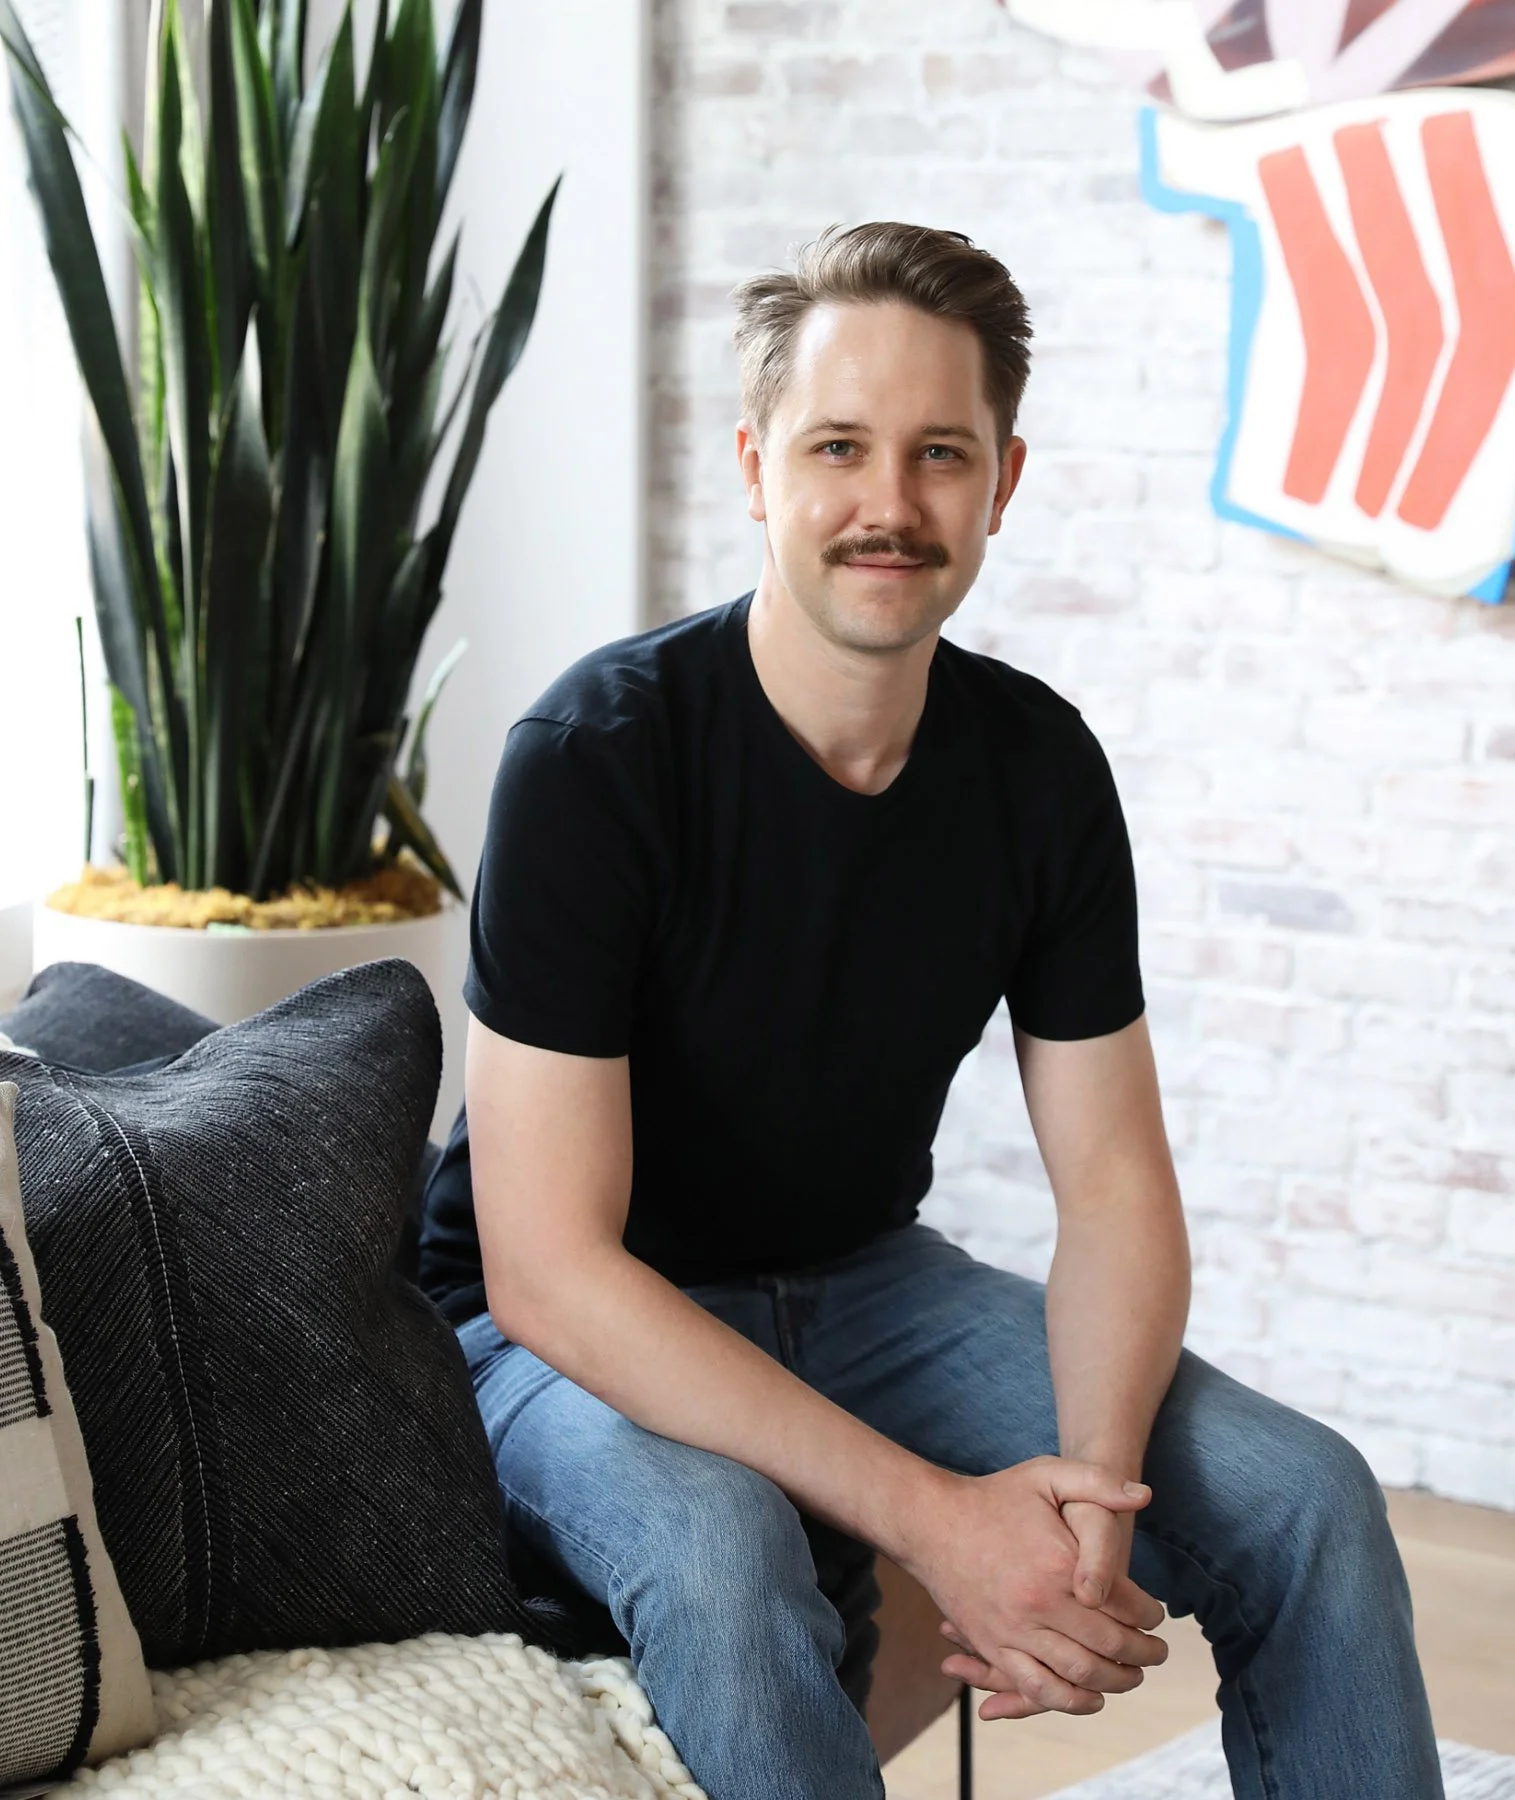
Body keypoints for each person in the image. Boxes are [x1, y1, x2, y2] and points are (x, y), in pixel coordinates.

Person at [419, 222, 1442, 1800]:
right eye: (839, 447)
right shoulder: (594, 756)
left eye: (938, 455)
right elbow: (549, 1266)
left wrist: (1093, 1503)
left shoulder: (1036, 767)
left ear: (1001, 484)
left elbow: (1110, 1187)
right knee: (717, 1546)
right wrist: (943, 1521)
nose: (888, 506)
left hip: (858, 1279)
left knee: (1302, 1495)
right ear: (758, 467)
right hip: (563, 1323)